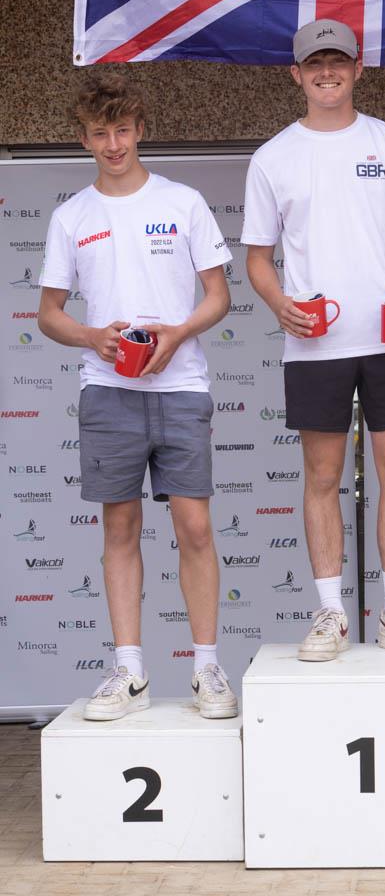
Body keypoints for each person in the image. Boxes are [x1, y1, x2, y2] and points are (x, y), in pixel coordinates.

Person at [38, 74, 238, 720]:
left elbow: (219, 295)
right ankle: (130, 674)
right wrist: (93, 336)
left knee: (195, 527)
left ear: (141, 130)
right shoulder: (72, 216)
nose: (113, 144)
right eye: (100, 133)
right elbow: (48, 314)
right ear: (84, 138)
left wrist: (178, 333)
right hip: (108, 392)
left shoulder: (183, 202)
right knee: (119, 528)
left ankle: (208, 669)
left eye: (123, 130)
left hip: (181, 387)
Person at [244, 19, 385, 661]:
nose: (326, 72)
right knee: (322, 477)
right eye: (314, 63)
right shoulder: (272, 156)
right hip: (315, 344)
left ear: (359, 69)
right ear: (295, 74)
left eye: (338, 61)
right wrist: (280, 304)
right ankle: (331, 614)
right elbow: (256, 257)